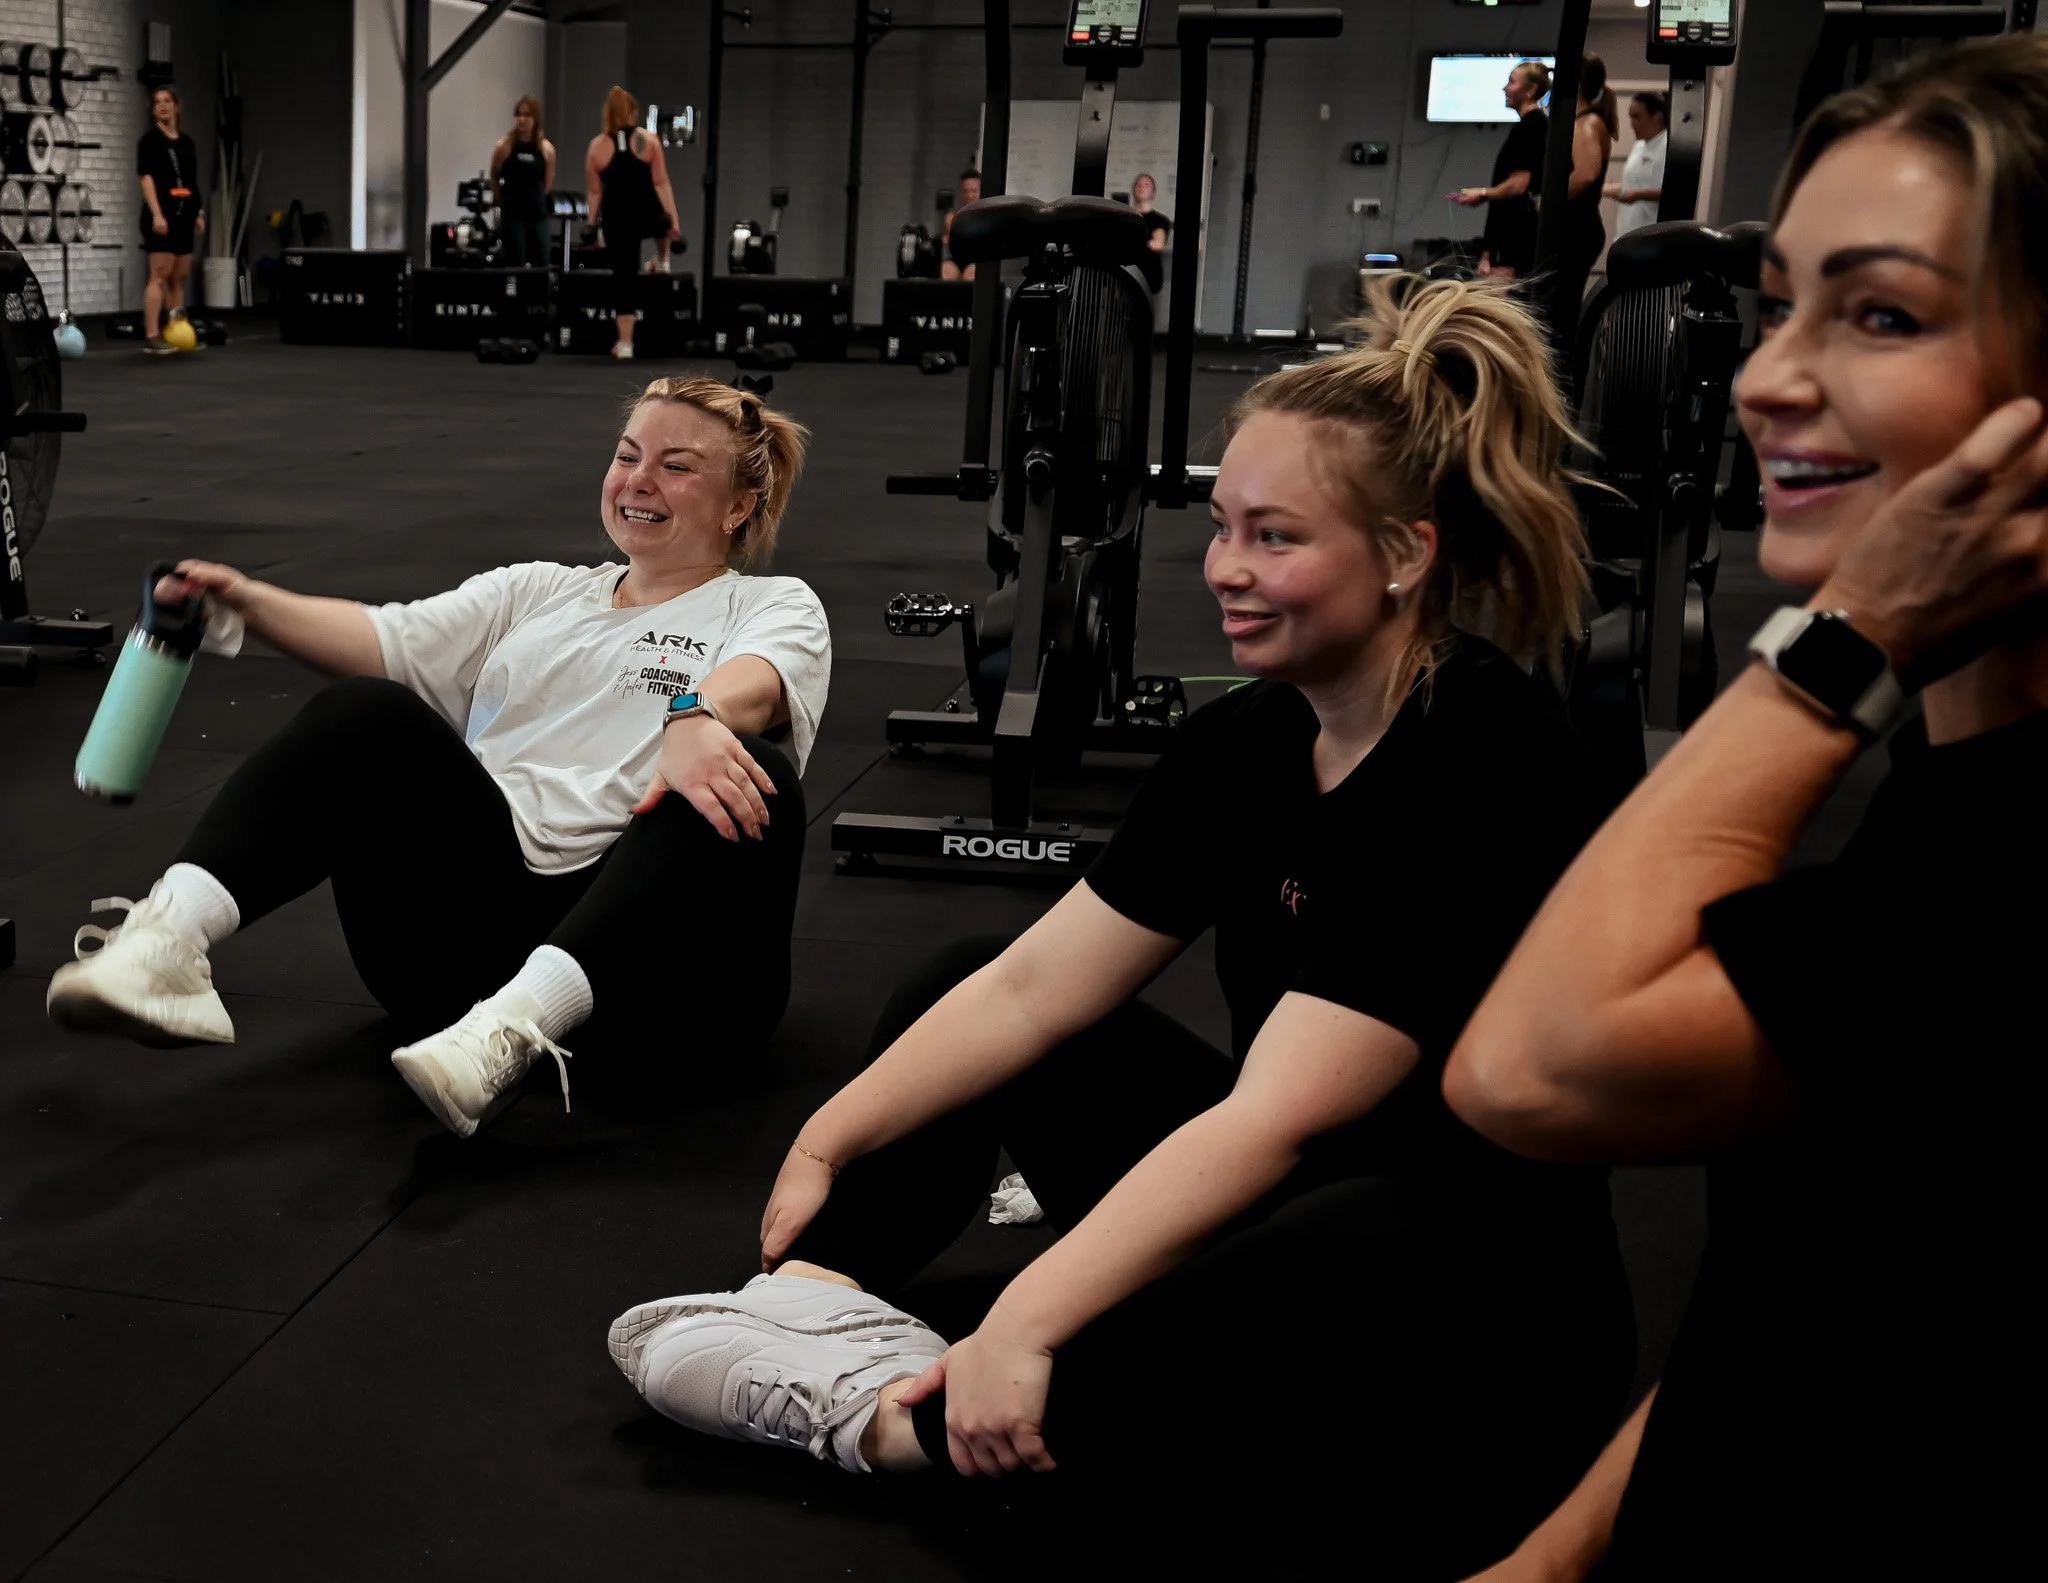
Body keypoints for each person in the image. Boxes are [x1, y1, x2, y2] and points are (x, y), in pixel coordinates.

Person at [604, 279, 1635, 1578]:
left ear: (1407, 553)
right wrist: (832, 1131)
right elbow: (1039, 984)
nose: (1225, 571)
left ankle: (896, 1427)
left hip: (1463, 1279)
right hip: (1289, 1187)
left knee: (1339, 1232)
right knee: (962, 974)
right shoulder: (1248, 737)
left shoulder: (1487, 758)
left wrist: (1029, 1314)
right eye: (1221, 527)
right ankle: (816, 1305)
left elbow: (1284, 1115)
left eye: (1275, 537)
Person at [1445, 35, 2048, 1581]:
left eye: (1883, 314)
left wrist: (1835, 649)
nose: (1773, 375)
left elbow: (1532, 1069)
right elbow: (1806, 1282)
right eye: (1786, 304)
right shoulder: (1943, 784)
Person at [47, 379, 828, 1141]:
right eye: (628, 456)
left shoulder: (768, 604)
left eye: (677, 465)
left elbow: (754, 684)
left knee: (743, 770)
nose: (639, 481)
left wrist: (696, 717)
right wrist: (246, 598)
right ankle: (165, 945)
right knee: (368, 711)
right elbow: (383, 640)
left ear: (738, 506)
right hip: (459, 959)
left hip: (659, 992)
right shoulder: (537, 592)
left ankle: (522, 1024)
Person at [585, 86, 682, 359]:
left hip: (621, 219)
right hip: (644, 217)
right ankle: (662, 259)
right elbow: (661, 183)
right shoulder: (648, 142)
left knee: (623, 280)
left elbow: (595, 192)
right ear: (632, 112)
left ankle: (626, 344)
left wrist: (591, 223)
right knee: (660, 218)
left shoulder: (597, 147)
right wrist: (673, 221)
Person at [1453, 60, 1549, 280]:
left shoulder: (1532, 127)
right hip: (1507, 238)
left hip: (1514, 240)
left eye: (1512, 82)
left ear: (1531, 90)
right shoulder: (1529, 126)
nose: (1505, 88)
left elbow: (1519, 184)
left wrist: (1484, 193)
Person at [1551, 55, 1617, 353]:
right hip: (1578, 230)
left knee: (1561, 315)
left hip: (1577, 231)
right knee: (1560, 310)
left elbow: (1586, 173)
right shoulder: (1584, 120)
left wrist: (1546, 204)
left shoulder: (1587, 123)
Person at [136, 85, 205, 356]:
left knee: (180, 276)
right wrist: (156, 213)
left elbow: (191, 180)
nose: (162, 106)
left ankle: (177, 329)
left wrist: (198, 212)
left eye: (167, 101)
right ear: (153, 110)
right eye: (157, 102)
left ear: (176, 106)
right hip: (161, 214)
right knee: (160, 275)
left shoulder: (187, 142)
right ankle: (152, 334)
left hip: (184, 213)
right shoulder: (149, 141)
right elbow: (146, 178)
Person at [492, 95, 557, 268]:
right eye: (518, 115)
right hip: (513, 214)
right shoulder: (504, 147)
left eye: (527, 115)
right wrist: (501, 200)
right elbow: (494, 176)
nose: (522, 119)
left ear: (535, 119)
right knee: (516, 264)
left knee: (542, 264)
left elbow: (547, 182)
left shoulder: (546, 150)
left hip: (537, 214)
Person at [1605, 91, 1668, 241]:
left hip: (1649, 234)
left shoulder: (1668, 147)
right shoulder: (1639, 146)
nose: (1632, 124)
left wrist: (1638, 195)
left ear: (1657, 117)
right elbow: (1634, 183)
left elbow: (1674, 191)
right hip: (1626, 232)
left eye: (1637, 117)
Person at [1128, 171, 1171, 295]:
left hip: (1148, 279)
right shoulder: (1125, 217)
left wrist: (1135, 245)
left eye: (1146, 185)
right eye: (1138, 185)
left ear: (1153, 192)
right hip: (1126, 276)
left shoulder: (1160, 220)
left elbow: (1158, 243)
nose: (1141, 187)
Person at [939, 168, 982, 282]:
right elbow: (948, 240)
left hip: (977, 260)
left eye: (973, 191)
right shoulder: (951, 218)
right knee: (946, 271)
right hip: (957, 260)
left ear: (980, 192)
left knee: (971, 274)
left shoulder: (986, 217)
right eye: (965, 191)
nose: (969, 195)